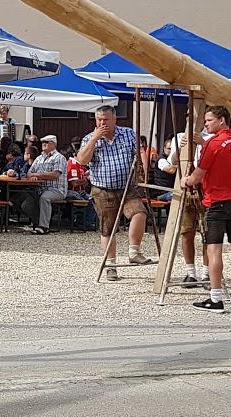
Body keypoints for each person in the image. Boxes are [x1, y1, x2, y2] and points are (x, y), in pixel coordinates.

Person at [184, 105, 231, 311]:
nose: (205, 124)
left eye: (209, 120)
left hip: (217, 201)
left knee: (214, 249)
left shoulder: (213, 144)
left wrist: (186, 180)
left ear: (222, 120)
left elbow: (198, 174)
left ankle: (215, 298)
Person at [76, 104, 152, 282]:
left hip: (127, 187)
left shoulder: (127, 134)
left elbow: (140, 153)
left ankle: (134, 251)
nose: (102, 123)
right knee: (108, 229)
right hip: (102, 189)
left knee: (140, 213)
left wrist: (144, 171)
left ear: (114, 119)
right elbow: (82, 160)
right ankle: (111, 266)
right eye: (99, 119)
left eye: (106, 119)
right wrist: (95, 139)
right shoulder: (89, 138)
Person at [157, 131, 210, 289]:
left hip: (205, 189)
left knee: (208, 234)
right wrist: (180, 149)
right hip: (186, 189)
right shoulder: (179, 137)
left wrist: (202, 143)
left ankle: (206, 273)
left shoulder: (210, 137)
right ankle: (190, 272)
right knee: (186, 232)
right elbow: (172, 162)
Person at [24, 134, 69, 234]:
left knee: (44, 198)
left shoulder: (59, 158)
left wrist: (38, 175)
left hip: (56, 190)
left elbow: (55, 175)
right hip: (40, 188)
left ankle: (44, 227)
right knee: (25, 201)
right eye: (42, 142)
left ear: (53, 144)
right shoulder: (39, 158)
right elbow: (29, 173)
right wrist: (33, 176)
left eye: (46, 142)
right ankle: (36, 222)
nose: (43, 144)